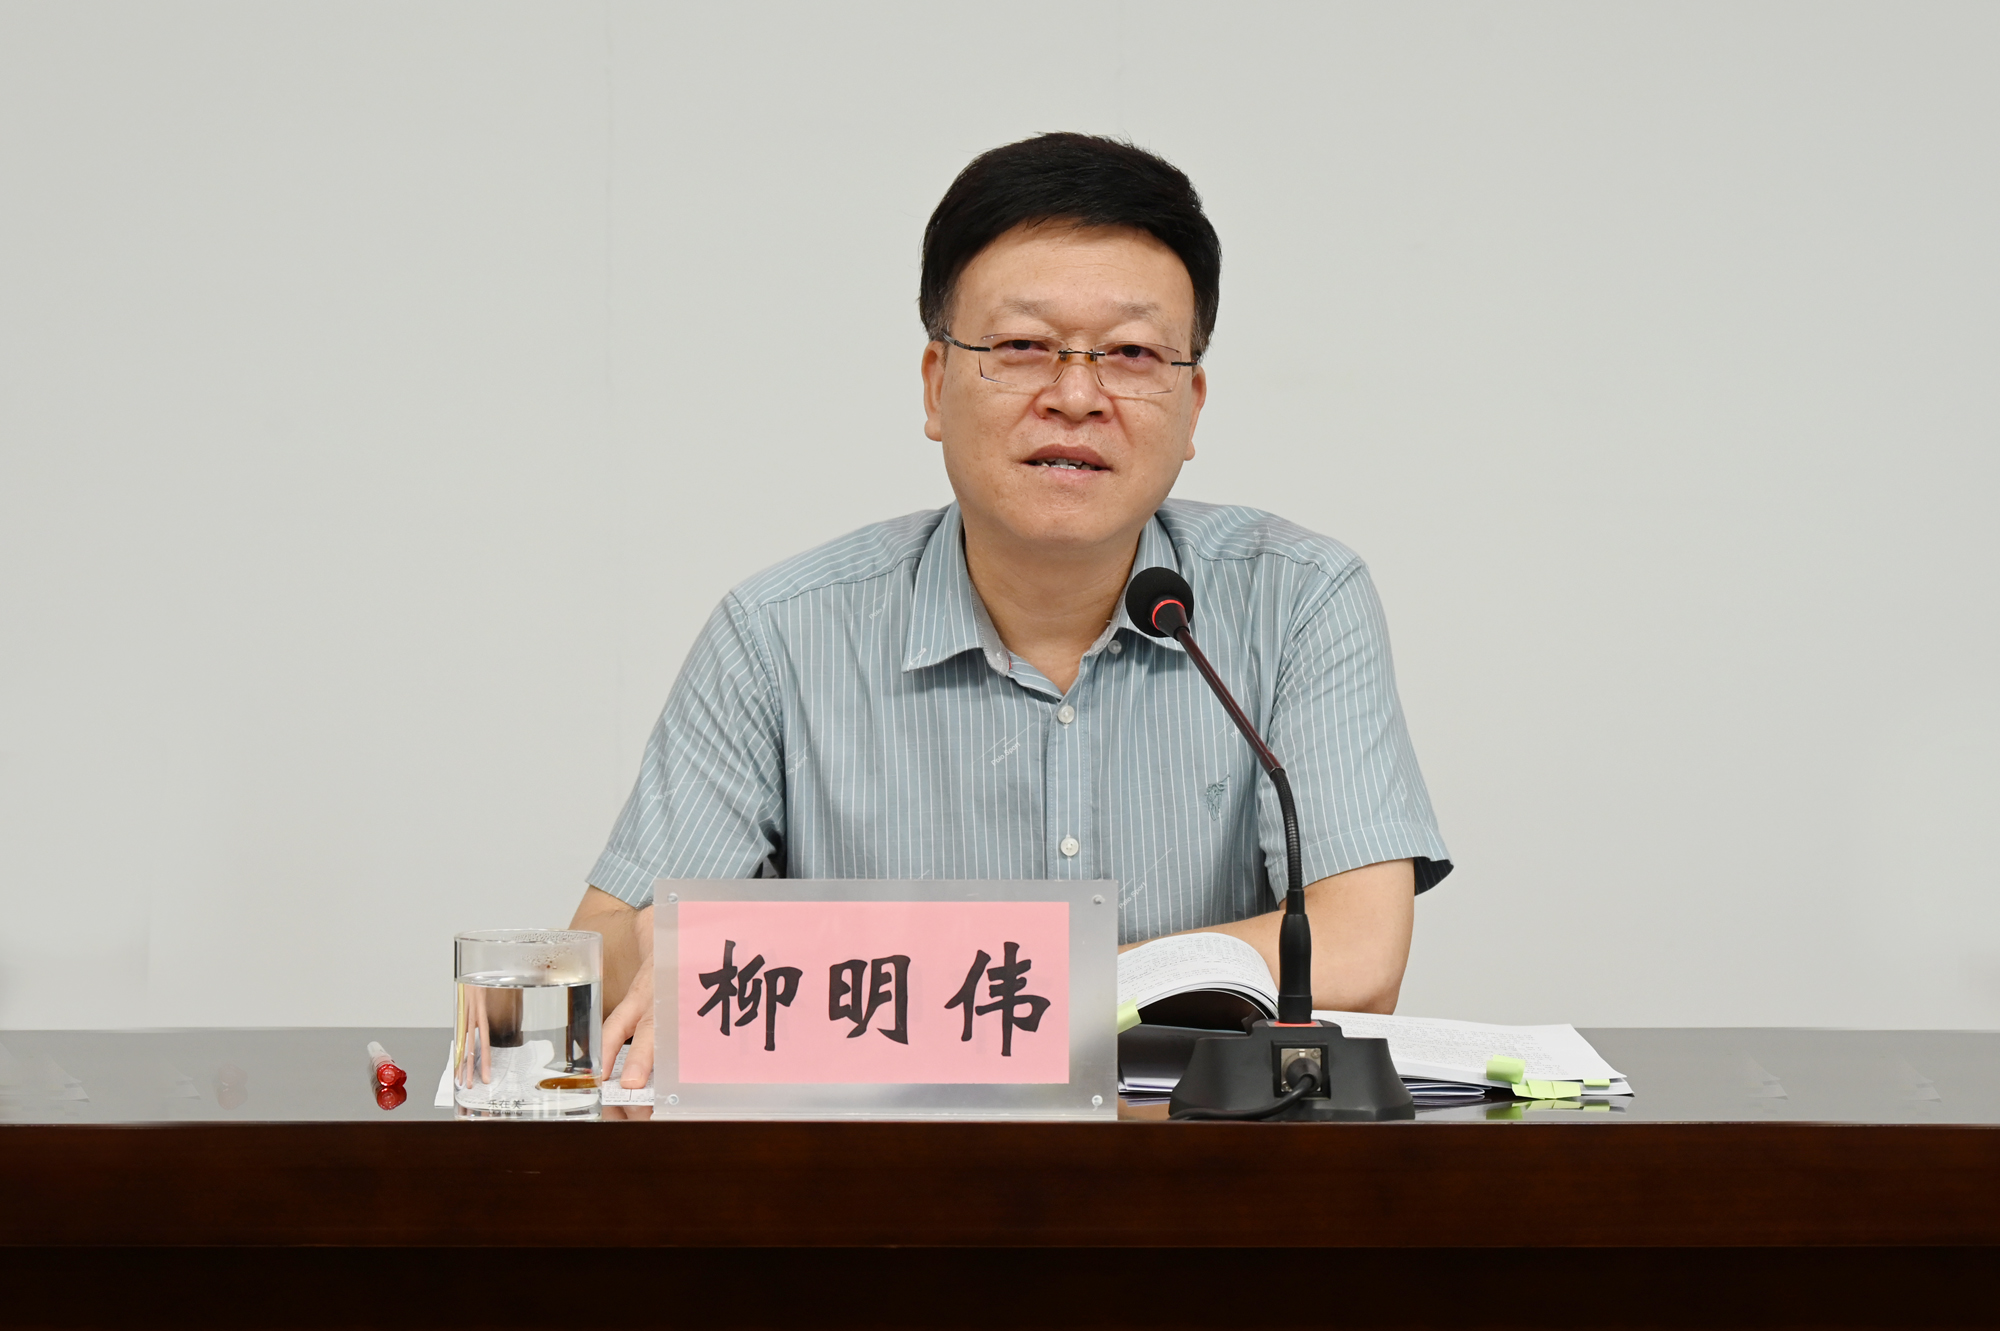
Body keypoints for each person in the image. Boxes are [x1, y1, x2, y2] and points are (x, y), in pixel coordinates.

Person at [572, 133, 1451, 1091]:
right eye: (1023, 347)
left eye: (1132, 354)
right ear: (934, 384)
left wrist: (884, 982)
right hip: (879, 1172)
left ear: (1192, 405)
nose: (1076, 396)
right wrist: (669, 945)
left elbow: (1359, 952)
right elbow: (605, 952)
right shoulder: (779, 633)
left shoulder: (1299, 599)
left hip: (1198, 1169)